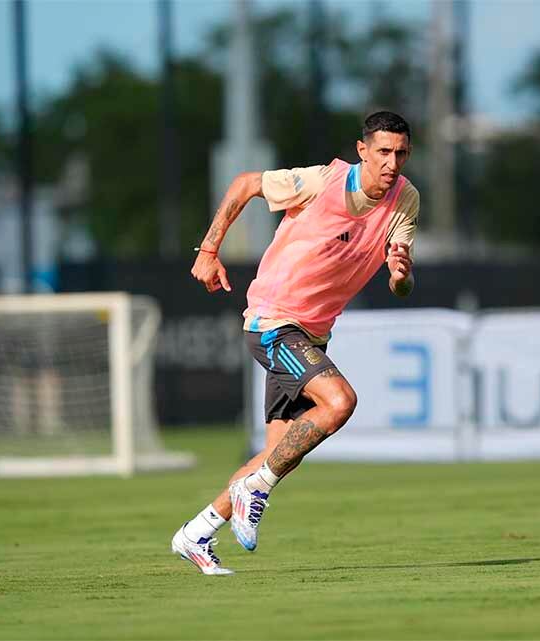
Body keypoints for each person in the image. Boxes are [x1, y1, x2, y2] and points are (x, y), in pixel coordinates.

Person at [171, 111, 419, 575]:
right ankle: (255, 488)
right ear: (363, 150)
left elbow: (400, 284)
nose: (392, 162)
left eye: (401, 153)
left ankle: (196, 533)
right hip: (273, 321)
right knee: (340, 401)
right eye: (383, 152)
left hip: (312, 334)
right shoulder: (322, 181)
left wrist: (401, 276)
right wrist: (208, 251)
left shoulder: (405, 200)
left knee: (280, 452)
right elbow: (245, 183)